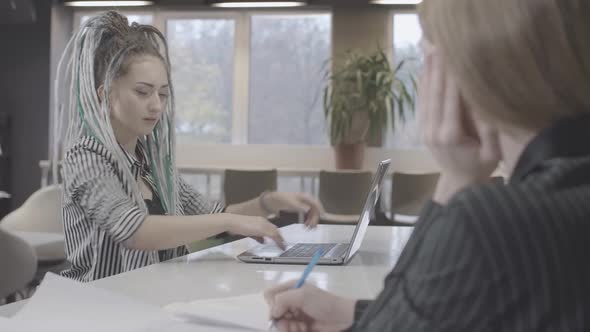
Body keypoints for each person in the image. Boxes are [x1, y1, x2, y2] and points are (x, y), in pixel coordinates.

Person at [264, 0, 590, 331]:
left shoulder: (492, 221)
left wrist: (457, 177)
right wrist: (348, 311)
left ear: (462, 77)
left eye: (428, 60)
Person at [52, 11, 323, 282]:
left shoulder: (151, 165)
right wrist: (230, 223)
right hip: (98, 307)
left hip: (151, 299)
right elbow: (134, 231)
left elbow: (216, 215)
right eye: (143, 92)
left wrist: (270, 201)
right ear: (106, 95)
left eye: (163, 94)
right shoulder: (86, 156)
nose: (156, 105)